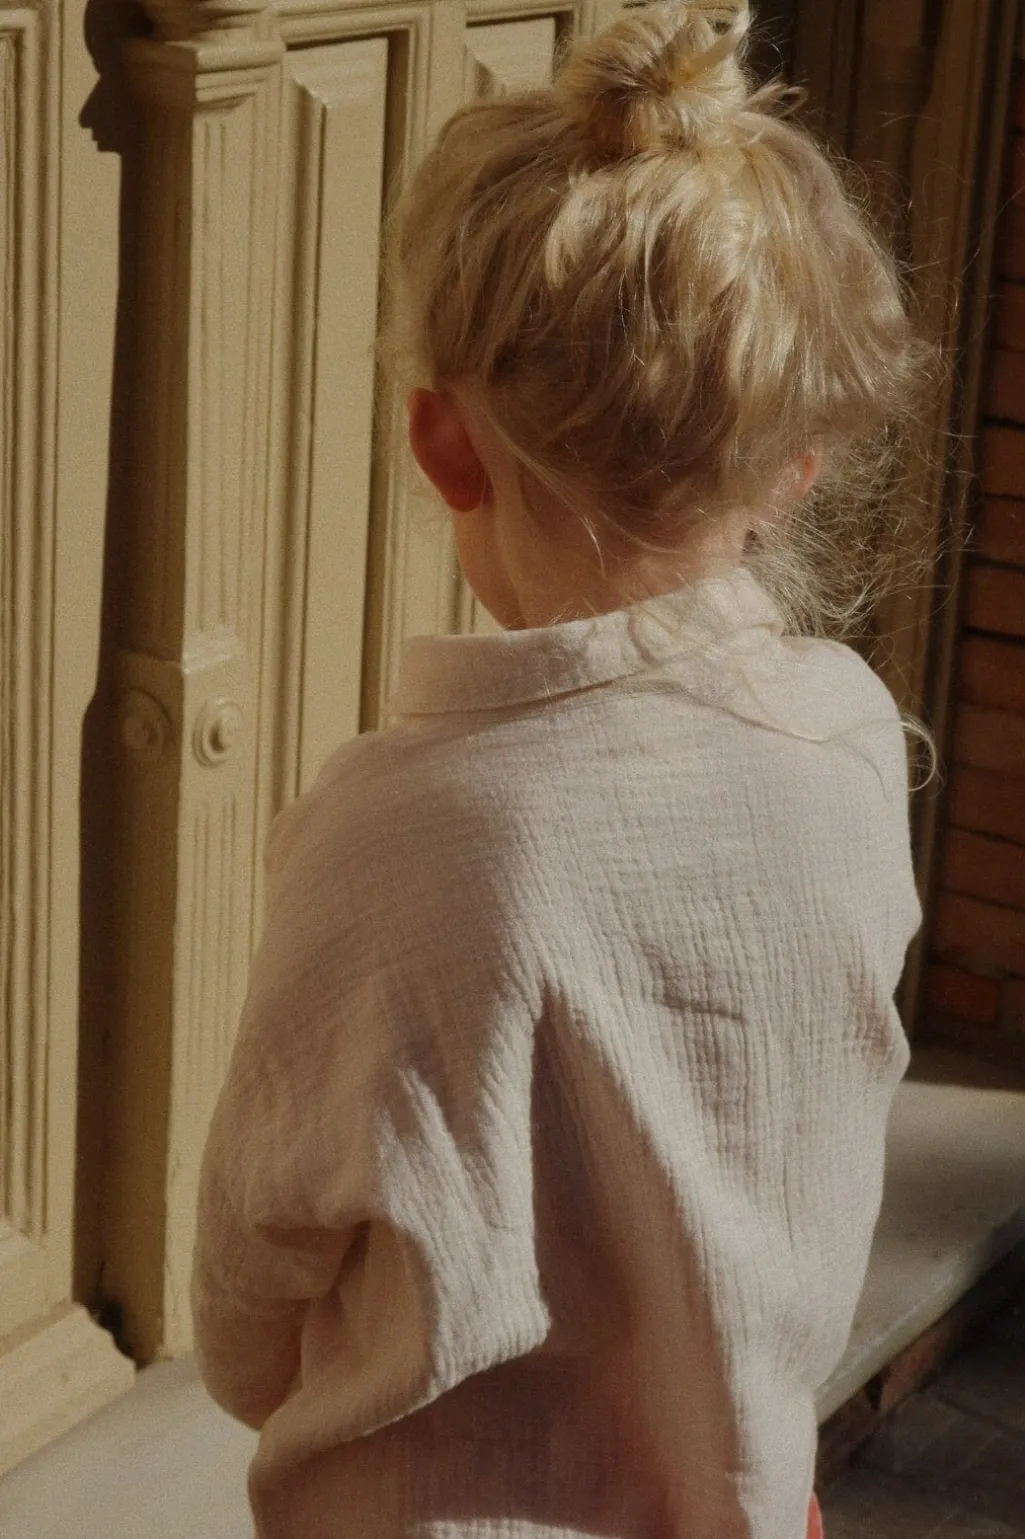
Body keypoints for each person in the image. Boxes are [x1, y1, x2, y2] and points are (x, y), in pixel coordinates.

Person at [191, 5, 931, 1536]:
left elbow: (249, 1279)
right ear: (796, 465)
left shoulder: (395, 832)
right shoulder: (854, 738)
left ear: (444, 446)